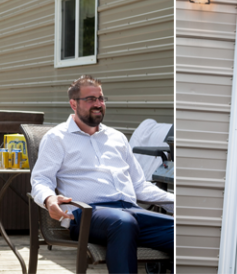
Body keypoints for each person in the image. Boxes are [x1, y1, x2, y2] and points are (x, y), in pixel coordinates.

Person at [30, 75, 175, 274]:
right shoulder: (57, 138)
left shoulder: (117, 138)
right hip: (87, 215)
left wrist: (175, 202)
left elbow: (139, 186)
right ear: (73, 104)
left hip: (130, 212)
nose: (98, 104)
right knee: (122, 223)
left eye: (101, 98)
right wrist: (49, 199)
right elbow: (41, 179)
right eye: (91, 99)